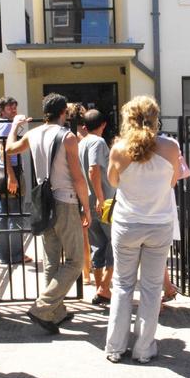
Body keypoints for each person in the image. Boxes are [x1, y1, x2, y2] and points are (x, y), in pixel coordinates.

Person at [6, 93, 91, 334]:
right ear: (64, 112)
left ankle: (56, 313)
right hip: (65, 201)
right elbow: (78, 178)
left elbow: (10, 148)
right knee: (75, 262)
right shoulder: (68, 137)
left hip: (44, 203)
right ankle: (42, 308)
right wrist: (86, 207)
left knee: (52, 262)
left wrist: (15, 126)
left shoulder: (33, 134)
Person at [104, 95, 179, 364]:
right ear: (155, 118)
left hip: (127, 225)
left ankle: (115, 347)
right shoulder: (171, 147)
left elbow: (113, 181)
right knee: (151, 287)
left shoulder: (119, 149)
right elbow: (172, 183)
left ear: (128, 119)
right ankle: (144, 348)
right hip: (159, 224)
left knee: (122, 286)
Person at [78, 109, 115, 305]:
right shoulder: (97, 142)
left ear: (84, 126)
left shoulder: (80, 142)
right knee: (115, 244)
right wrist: (101, 198)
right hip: (104, 201)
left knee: (97, 245)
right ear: (103, 125)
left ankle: (101, 289)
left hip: (87, 201)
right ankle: (104, 287)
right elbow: (94, 169)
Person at [0, 96, 32, 265]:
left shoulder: (1, 125)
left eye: (15, 106)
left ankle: (4, 254)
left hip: (1, 172)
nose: (14, 109)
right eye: (9, 107)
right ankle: (15, 255)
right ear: (1, 110)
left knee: (4, 215)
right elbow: (4, 151)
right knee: (14, 215)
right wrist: (12, 176)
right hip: (9, 172)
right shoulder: (6, 126)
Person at [67, 102, 93, 285]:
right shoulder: (88, 137)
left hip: (72, 188)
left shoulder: (68, 137)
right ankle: (87, 272)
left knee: (74, 234)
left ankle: (82, 272)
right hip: (89, 187)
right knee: (88, 234)